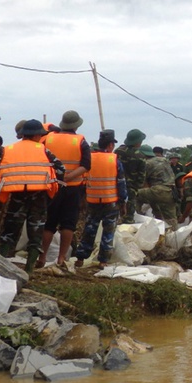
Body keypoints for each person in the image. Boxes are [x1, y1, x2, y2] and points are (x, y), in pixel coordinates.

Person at [0, 120, 64, 273]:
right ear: (38, 134)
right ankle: (29, 269)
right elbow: (61, 169)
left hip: (17, 194)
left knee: (9, 231)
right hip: (39, 196)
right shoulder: (44, 150)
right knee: (36, 232)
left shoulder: (8, 149)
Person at [38, 110, 91, 267]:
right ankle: (61, 258)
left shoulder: (48, 139)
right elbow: (86, 165)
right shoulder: (80, 141)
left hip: (52, 187)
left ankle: (42, 257)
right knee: (68, 224)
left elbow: (41, 159)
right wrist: (70, 176)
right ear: (76, 125)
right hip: (72, 188)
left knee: (49, 223)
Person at [74, 130, 127, 268]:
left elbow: (83, 180)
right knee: (108, 232)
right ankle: (103, 261)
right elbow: (121, 183)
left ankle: (80, 258)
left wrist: (82, 199)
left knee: (89, 230)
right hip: (111, 202)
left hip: (92, 201)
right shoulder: (115, 160)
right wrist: (123, 202)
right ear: (110, 145)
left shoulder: (89, 158)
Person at [136, 144, 178, 231]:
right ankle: (173, 236)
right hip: (171, 191)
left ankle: (136, 219)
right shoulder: (164, 160)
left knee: (135, 195)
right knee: (170, 217)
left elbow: (141, 181)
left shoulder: (147, 163)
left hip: (158, 190)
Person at [115, 129, 147, 223]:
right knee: (129, 216)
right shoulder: (140, 156)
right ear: (137, 142)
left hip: (115, 185)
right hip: (131, 188)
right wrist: (137, 187)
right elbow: (141, 177)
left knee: (115, 211)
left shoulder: (118, 151)